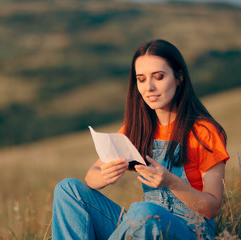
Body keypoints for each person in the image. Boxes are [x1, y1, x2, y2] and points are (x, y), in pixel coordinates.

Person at [52, 39, 229, 239]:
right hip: (143, 226)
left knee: (143, 212)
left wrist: (172, 182)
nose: (149, 87)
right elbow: (91, 175)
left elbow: (212, 207)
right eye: (141, 79)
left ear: (179, 77)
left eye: (159, 77)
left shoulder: (203, 131)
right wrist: (104, 176)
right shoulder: (137, 128)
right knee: (67, 189)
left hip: (190, 232)